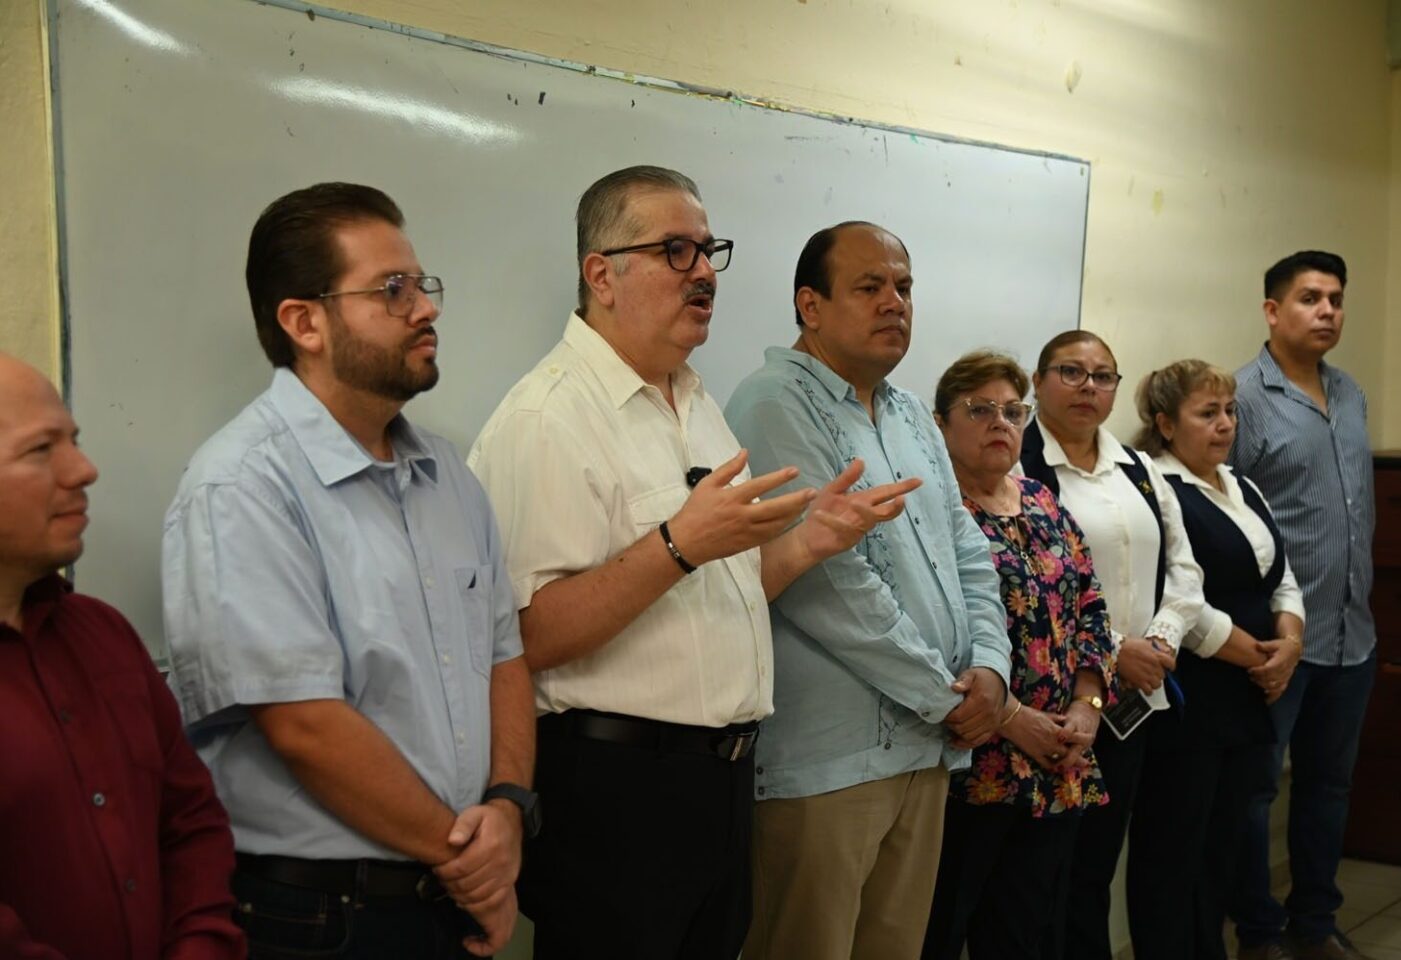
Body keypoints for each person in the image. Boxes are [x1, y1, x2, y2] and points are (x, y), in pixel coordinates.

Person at [469, 168, 917, 960]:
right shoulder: (547, 418)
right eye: (675, 250)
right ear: (601, 274)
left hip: (721, 784)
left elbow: (720, 593)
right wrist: (677, 545)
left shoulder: (695, 403)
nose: (704, 272)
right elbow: (524, 635)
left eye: (709, 251)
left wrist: (809, 542)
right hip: (615, 791)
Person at [162, 183, 535, 959]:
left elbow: (504, 657)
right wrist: (472, 865)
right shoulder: (242, 485)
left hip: (445, 894)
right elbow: (303, 724)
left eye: (422, 285)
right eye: (391, 290)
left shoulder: (448, 476)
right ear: (304, 323)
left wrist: (506, 807)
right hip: (319, 918)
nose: (425, 309)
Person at [724, 223, 1012, 960]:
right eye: (870, 287)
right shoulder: (772, 402)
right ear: (809, 306)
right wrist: (951, 698)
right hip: (831, 761)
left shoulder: (911, 411)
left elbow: (968, 550)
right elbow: (828, 587)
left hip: (927, 743)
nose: (895, 303)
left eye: (905, 288)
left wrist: (991, 671)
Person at [0, 351, 245, 960]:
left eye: (74, 441)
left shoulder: (103, 636)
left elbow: (190, 821)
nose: (84, 470)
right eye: (40, 451)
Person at [920, 350, 1117, 960]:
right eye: (979, 410)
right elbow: (935, 634)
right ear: (939, 422)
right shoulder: (930, 511)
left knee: (1024, 932)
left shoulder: (1040, 499)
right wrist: (1012, 719)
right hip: (973, 763)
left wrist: (1086, 706)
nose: (1000, 423)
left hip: (1056, 760)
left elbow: (1090, 603)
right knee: (941, 927)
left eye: (1012, 410)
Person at [1017, 329, 1205, 960]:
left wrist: (1160, 639)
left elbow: (1184, 568)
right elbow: (1033, 580)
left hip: (1137, 699)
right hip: (1055, 698)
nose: (1088, 387)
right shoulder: (1019, 463)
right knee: (1047, 872)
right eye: (1071, 372)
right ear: (1038, 381)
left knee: (1098, 863)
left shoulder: (1139, 467)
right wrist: (1113, 647)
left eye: (1103, 377)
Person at [1124, 359, 1306, 959]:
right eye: (1208, 413)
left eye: (1230, 411)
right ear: (1166, 425)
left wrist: (1291, 644)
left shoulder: (1242, 485)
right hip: (1195, 694)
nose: (1225, 424)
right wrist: (1256, 653)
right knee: (1173, 854)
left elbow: (1280, 577)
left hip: (1251, 694)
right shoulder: (1157, 485)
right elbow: (1181, 593)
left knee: (1221, 851)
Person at [1230, 251, 1378, 960]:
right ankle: (1259, 933)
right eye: (1310, 298)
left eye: (1336, 300)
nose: (1327, 311)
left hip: (1354, 636)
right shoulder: (1242, 400)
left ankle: (1315, 922)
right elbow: (1225, 520)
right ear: (1272, 311)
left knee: (1328, 788)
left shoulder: (1349, 393)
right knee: (1256, 794)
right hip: (1277, 642)